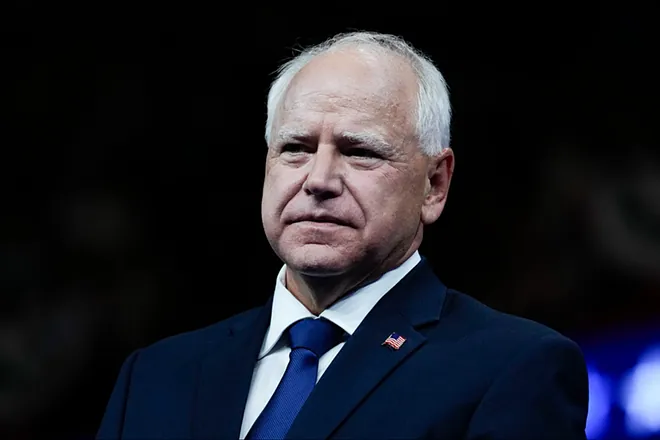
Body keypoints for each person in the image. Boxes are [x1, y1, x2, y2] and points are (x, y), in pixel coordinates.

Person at [96, 31, 589, 439]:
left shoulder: (512, 368)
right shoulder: (155, 375)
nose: (318, 180)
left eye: (360, 152)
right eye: (296, 147)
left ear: (434, 185)